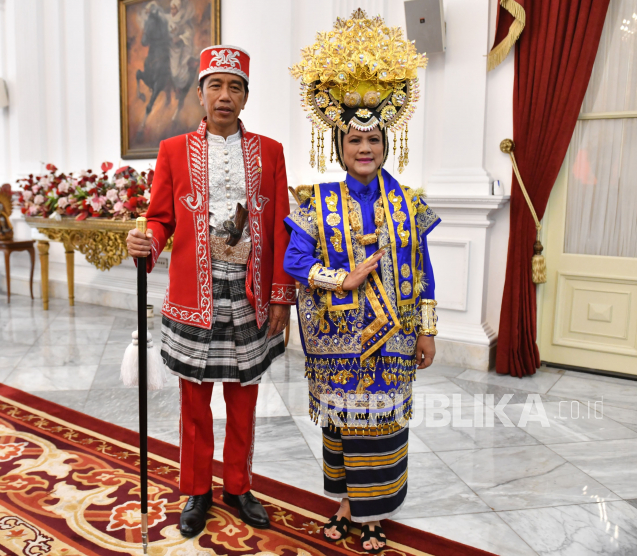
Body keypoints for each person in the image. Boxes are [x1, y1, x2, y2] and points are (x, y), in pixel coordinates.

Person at [126, 45, 295, 538]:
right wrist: (146, 241)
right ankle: (197, 489)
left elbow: (282, 228)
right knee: (194, 403)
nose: (225, 96)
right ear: (200, 94)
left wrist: (282, 297)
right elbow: (160, 219)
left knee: (245, 398)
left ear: (245, 97)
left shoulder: (270, 152)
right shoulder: (173, 151)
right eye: (215, 86)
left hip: (251, 294)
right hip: (194, 297)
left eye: (235, 87)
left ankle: (239, 486)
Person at [283, 10, 436, 554]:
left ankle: (376, 515)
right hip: (337, 333)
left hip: (394, 333)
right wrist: (340, 277)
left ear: (385, 144)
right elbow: (294, 261)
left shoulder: (410, 203)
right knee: (343, 424)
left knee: (384, 424)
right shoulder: (314, 201)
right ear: (339, 146)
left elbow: (424, 269)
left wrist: (427, 330)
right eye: (354, 141)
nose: (364, 149)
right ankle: (346, 504)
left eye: (373, 139)